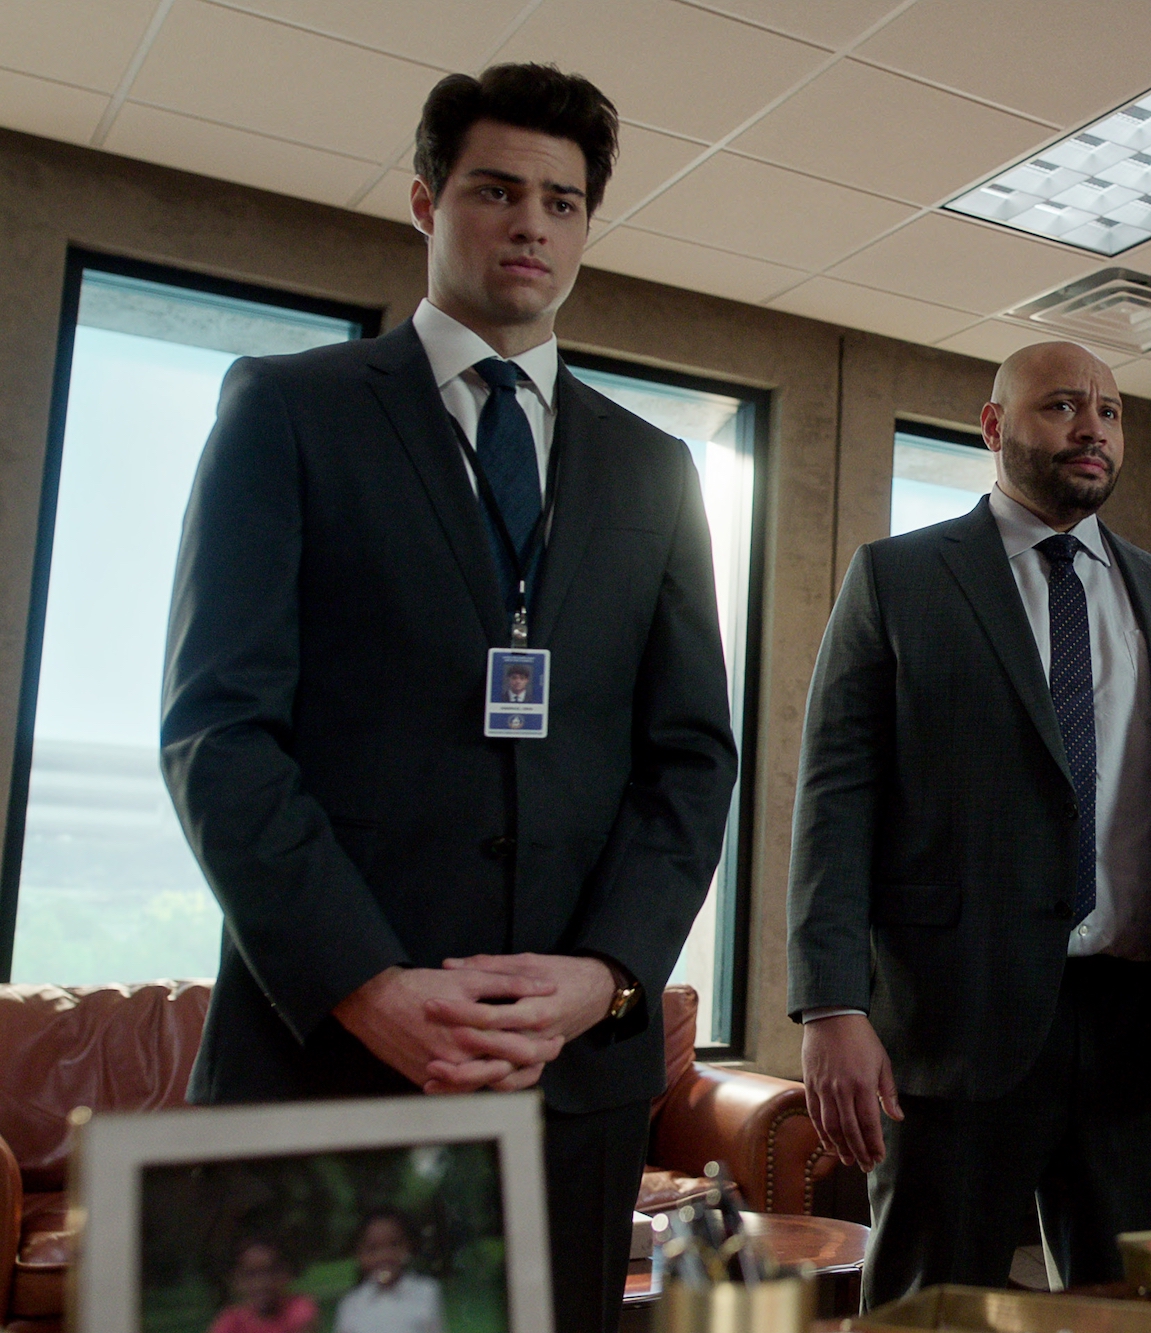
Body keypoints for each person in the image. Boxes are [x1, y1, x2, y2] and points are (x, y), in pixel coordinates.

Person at [162, 63, 738, 1333]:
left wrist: (606, 974)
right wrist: (369, 984)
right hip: (330, 1059)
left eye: (563, 200)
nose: (531, 222)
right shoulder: (288, 411)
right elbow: (220, 734)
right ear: (425, 203)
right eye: (494, 189)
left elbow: (691, 761)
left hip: (571, 1082)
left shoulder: (655, 473)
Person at [788, 341, 1151, 1304]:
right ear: (994, 426)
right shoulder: (899, 579)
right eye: (1062, 406)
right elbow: (834, 803)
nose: (1092, 426)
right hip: (957, 1018)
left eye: (1109, 409)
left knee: (1140, 1308)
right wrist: (832, 1003)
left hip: (1142, 1027)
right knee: (932, 1307)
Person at [334, 1210, 443, 1333]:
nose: (384, 1256)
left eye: (394, 1245)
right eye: (372, 1249)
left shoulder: (425, 1292)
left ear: (407, 1247)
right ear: (359, 1255)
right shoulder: (351, 1305)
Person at [207, 1238, 317, 1333]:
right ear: (237, 1282)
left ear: (286, 1274)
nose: (261, 1283)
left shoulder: (298, 1309)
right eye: (251, 1275)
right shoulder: (231, 1320)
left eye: (271, 1272)